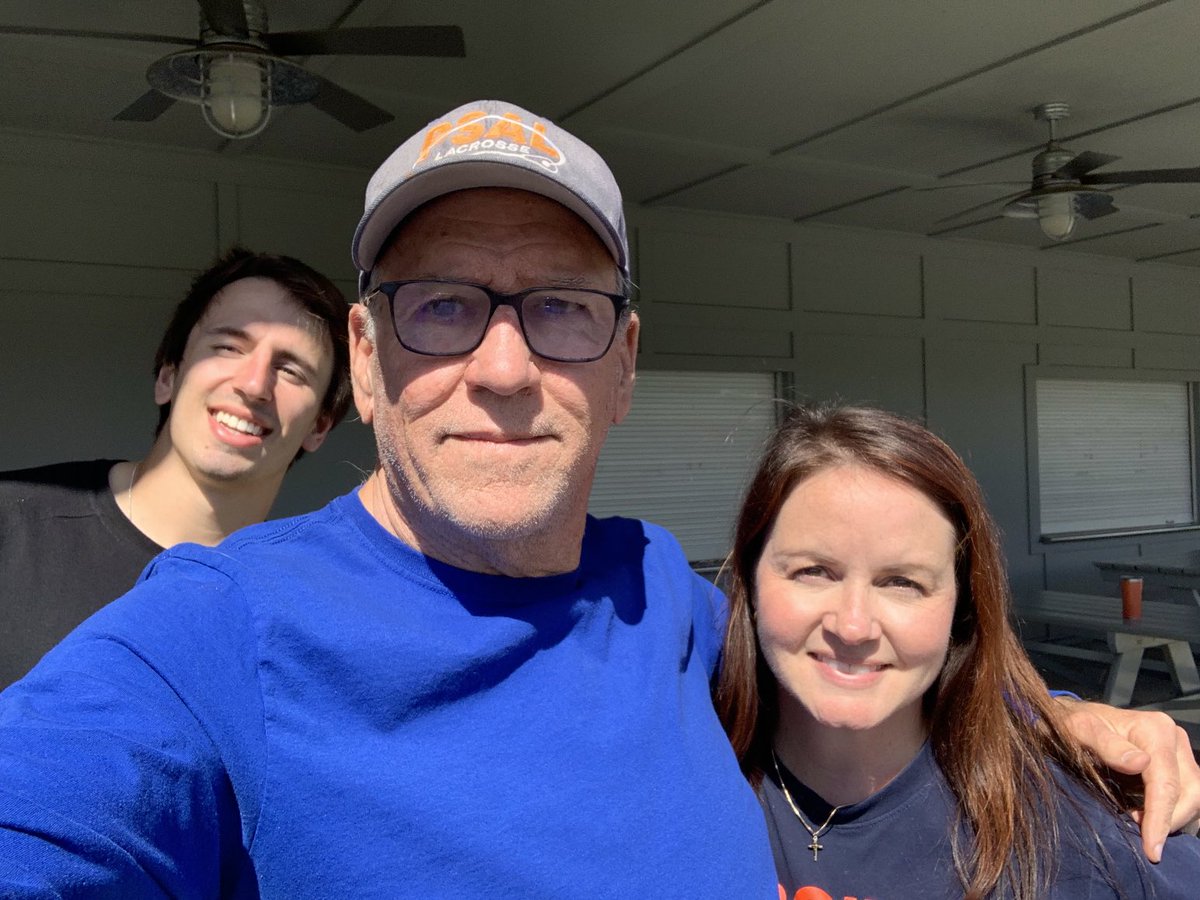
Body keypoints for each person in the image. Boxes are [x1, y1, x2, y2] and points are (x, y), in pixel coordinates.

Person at [0, 100, 1193, 897]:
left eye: (562, 308)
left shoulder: (663, 600)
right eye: (441, 304)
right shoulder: (219, 628)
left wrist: (1063, 718)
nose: (507, 368)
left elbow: (859, 663)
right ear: (365, 361)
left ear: (623, 367)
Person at [716, 403, 1200, 899]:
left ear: (961, 610)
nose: (853, 625)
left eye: (902, 582)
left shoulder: (1081, 829)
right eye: (813, 571)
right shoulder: (678, 777)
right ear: (749, 582)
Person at [0, 247, 352, 686]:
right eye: (227, 346)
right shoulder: (12, 528)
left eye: (292, 370)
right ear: (168, 375)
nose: (254, 384)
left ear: (319, 426)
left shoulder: (307, 619)